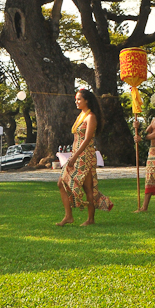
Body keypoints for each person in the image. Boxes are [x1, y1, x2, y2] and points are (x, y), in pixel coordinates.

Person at [57, 89, 114, 226]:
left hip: (85, 156)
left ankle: (90, 219)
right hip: (76, 153)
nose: (76, 102)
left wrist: (75, 156)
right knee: (61, 183)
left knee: (88, 188)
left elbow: (87, 138)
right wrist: (73, 154)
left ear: (86, 100)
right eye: (76, 99)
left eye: (79, 99)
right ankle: (68, 216)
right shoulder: (81, 115)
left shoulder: (91, 117)